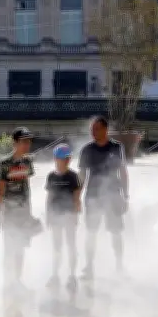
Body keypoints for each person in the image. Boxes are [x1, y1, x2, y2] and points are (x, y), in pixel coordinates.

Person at [78, 116, 129, 279]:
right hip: (93, 195)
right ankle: (89, 266)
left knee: (116, 232)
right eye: (92, 129)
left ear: (106, 129)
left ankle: (119, 265)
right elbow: (82, 176)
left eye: (97, 129)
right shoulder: (87, 150)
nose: (93, 132)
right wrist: (76, 197)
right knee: (91, 232)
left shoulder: (117, 147)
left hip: (113, 194)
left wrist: (125, 195)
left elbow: (123, 171)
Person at [0, 127, 39, 290]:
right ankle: (8, 281)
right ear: (15, 142)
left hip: (23, 212)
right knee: (9, 248)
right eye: (24, 141)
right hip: (9, 213)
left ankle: (18, 280)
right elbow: (0, 191)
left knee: (20, 247)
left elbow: (26, 187)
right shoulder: (5, 164)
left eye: (29, 141)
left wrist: (29, 213)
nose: (27, 144)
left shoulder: (28, 162)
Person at [45, 144, 82, 291]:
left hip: (68, 215)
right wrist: (48, 215)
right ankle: (55, 275)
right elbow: (49, 196)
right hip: (55, 215)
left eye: (67, 158)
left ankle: (72, 276)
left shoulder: (73, 176)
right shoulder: (51, 176)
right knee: (56, 247)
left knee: (71, 246)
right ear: (55, 159)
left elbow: (77, 198)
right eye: (62, 158)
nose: (66, 161)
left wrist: (75, 215)